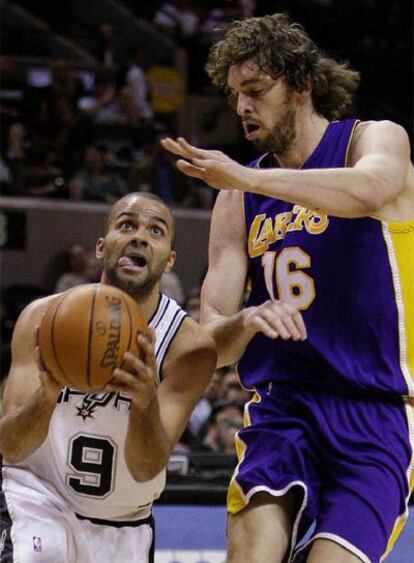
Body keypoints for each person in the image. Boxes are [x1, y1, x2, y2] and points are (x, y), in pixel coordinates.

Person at [161, 12, 414, 563]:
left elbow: (373, 190)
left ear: (300, 84)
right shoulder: (236, 199)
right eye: (234, 96)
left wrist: (245, 176)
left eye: (256, 91)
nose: (242, 107)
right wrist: (245, 321)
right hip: (284, 407)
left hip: (377, 409)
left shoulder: (369, 140)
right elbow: (213, 345)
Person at [0, 192, 218, 562]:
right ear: (102, 247)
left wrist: (144, 402)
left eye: (155, 230)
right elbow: (10, 448)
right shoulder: (42, 319)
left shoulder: (188, 346)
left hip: (125, 527)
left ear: (170, 261)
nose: (139, 237)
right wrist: (47, 397)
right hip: (38, 500)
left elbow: (148, 466)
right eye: (127, 225)